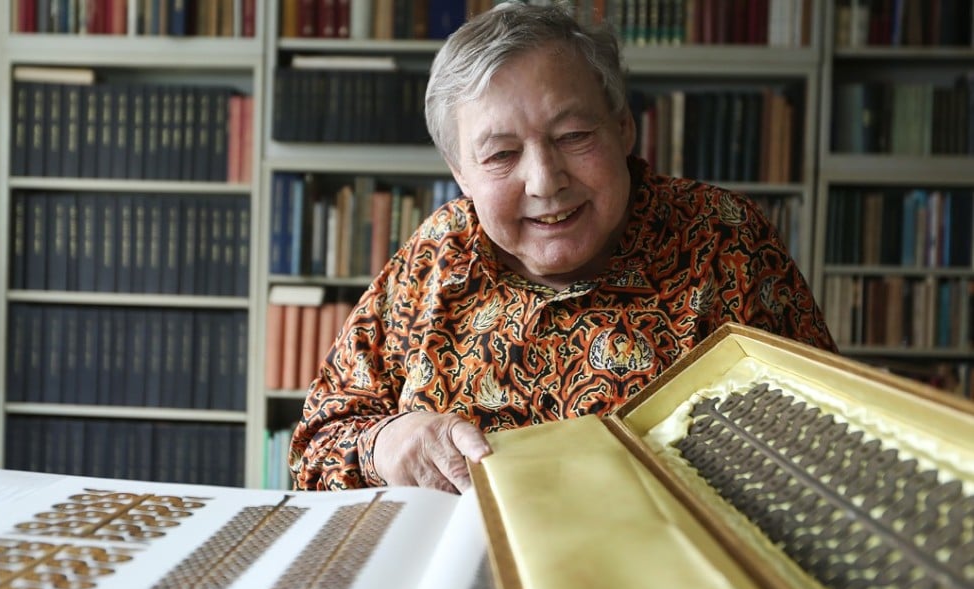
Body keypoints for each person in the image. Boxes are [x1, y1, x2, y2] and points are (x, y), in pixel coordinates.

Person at [288, 3, 836, 493]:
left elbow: (827, 442)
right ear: (460, 173)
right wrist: (387, 443)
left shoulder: (723, 238)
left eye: (573, 137)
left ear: (623, 129)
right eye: (501, 155)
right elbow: (316, 445)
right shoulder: (437, 254)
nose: (545, 181)